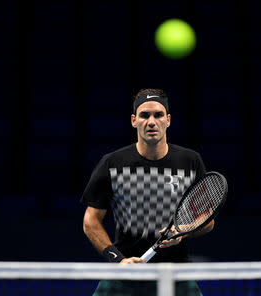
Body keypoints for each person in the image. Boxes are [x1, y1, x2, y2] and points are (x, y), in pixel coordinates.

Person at [81, 88, 214, 295]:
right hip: (125, 274)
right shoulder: (112, 163)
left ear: (168, 120)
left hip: (176, 275)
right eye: (144, 115)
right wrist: (117, 259)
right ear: (134, 120)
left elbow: (207, 219)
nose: (151, 121)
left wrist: (183, 230)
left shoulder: (190, 161)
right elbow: (91, 220)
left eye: (158, 115)